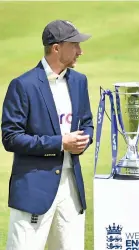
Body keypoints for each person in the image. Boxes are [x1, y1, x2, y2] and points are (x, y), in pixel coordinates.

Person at [1, 19, 94, 250]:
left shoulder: (80, 82)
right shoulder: (23, 85)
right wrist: (61, 142)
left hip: (71, 190)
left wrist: (85, 140)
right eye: (75, 45)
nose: (80, 51)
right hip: (34, 189)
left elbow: (88, 122)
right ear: (56, 48)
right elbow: (11, 137)